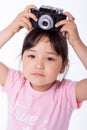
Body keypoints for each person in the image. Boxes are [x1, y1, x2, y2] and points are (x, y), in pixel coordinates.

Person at [0, 4, 87, 130]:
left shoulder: (66, 94)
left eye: (50, 58)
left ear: (63, 66)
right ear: (22, 58)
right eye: (32, 56)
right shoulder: (15, 83)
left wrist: (76, 42)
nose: (39, 65)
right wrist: (11, 29)